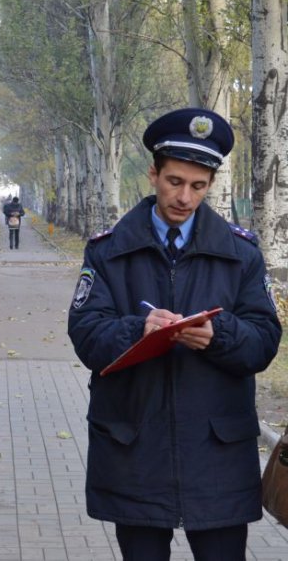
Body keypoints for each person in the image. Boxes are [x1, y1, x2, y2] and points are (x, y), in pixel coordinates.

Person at [68, 108, 282, 561]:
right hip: (135, 452)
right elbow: (87, 335)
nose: (185, 197)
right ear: (154, 174)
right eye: (174, 182)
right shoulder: (109, 250)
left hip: (218, 456)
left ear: (209, 184)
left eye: (198, 186)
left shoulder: (240, 254)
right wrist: (137, 329)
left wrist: (217, 334)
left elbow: (264, 341)